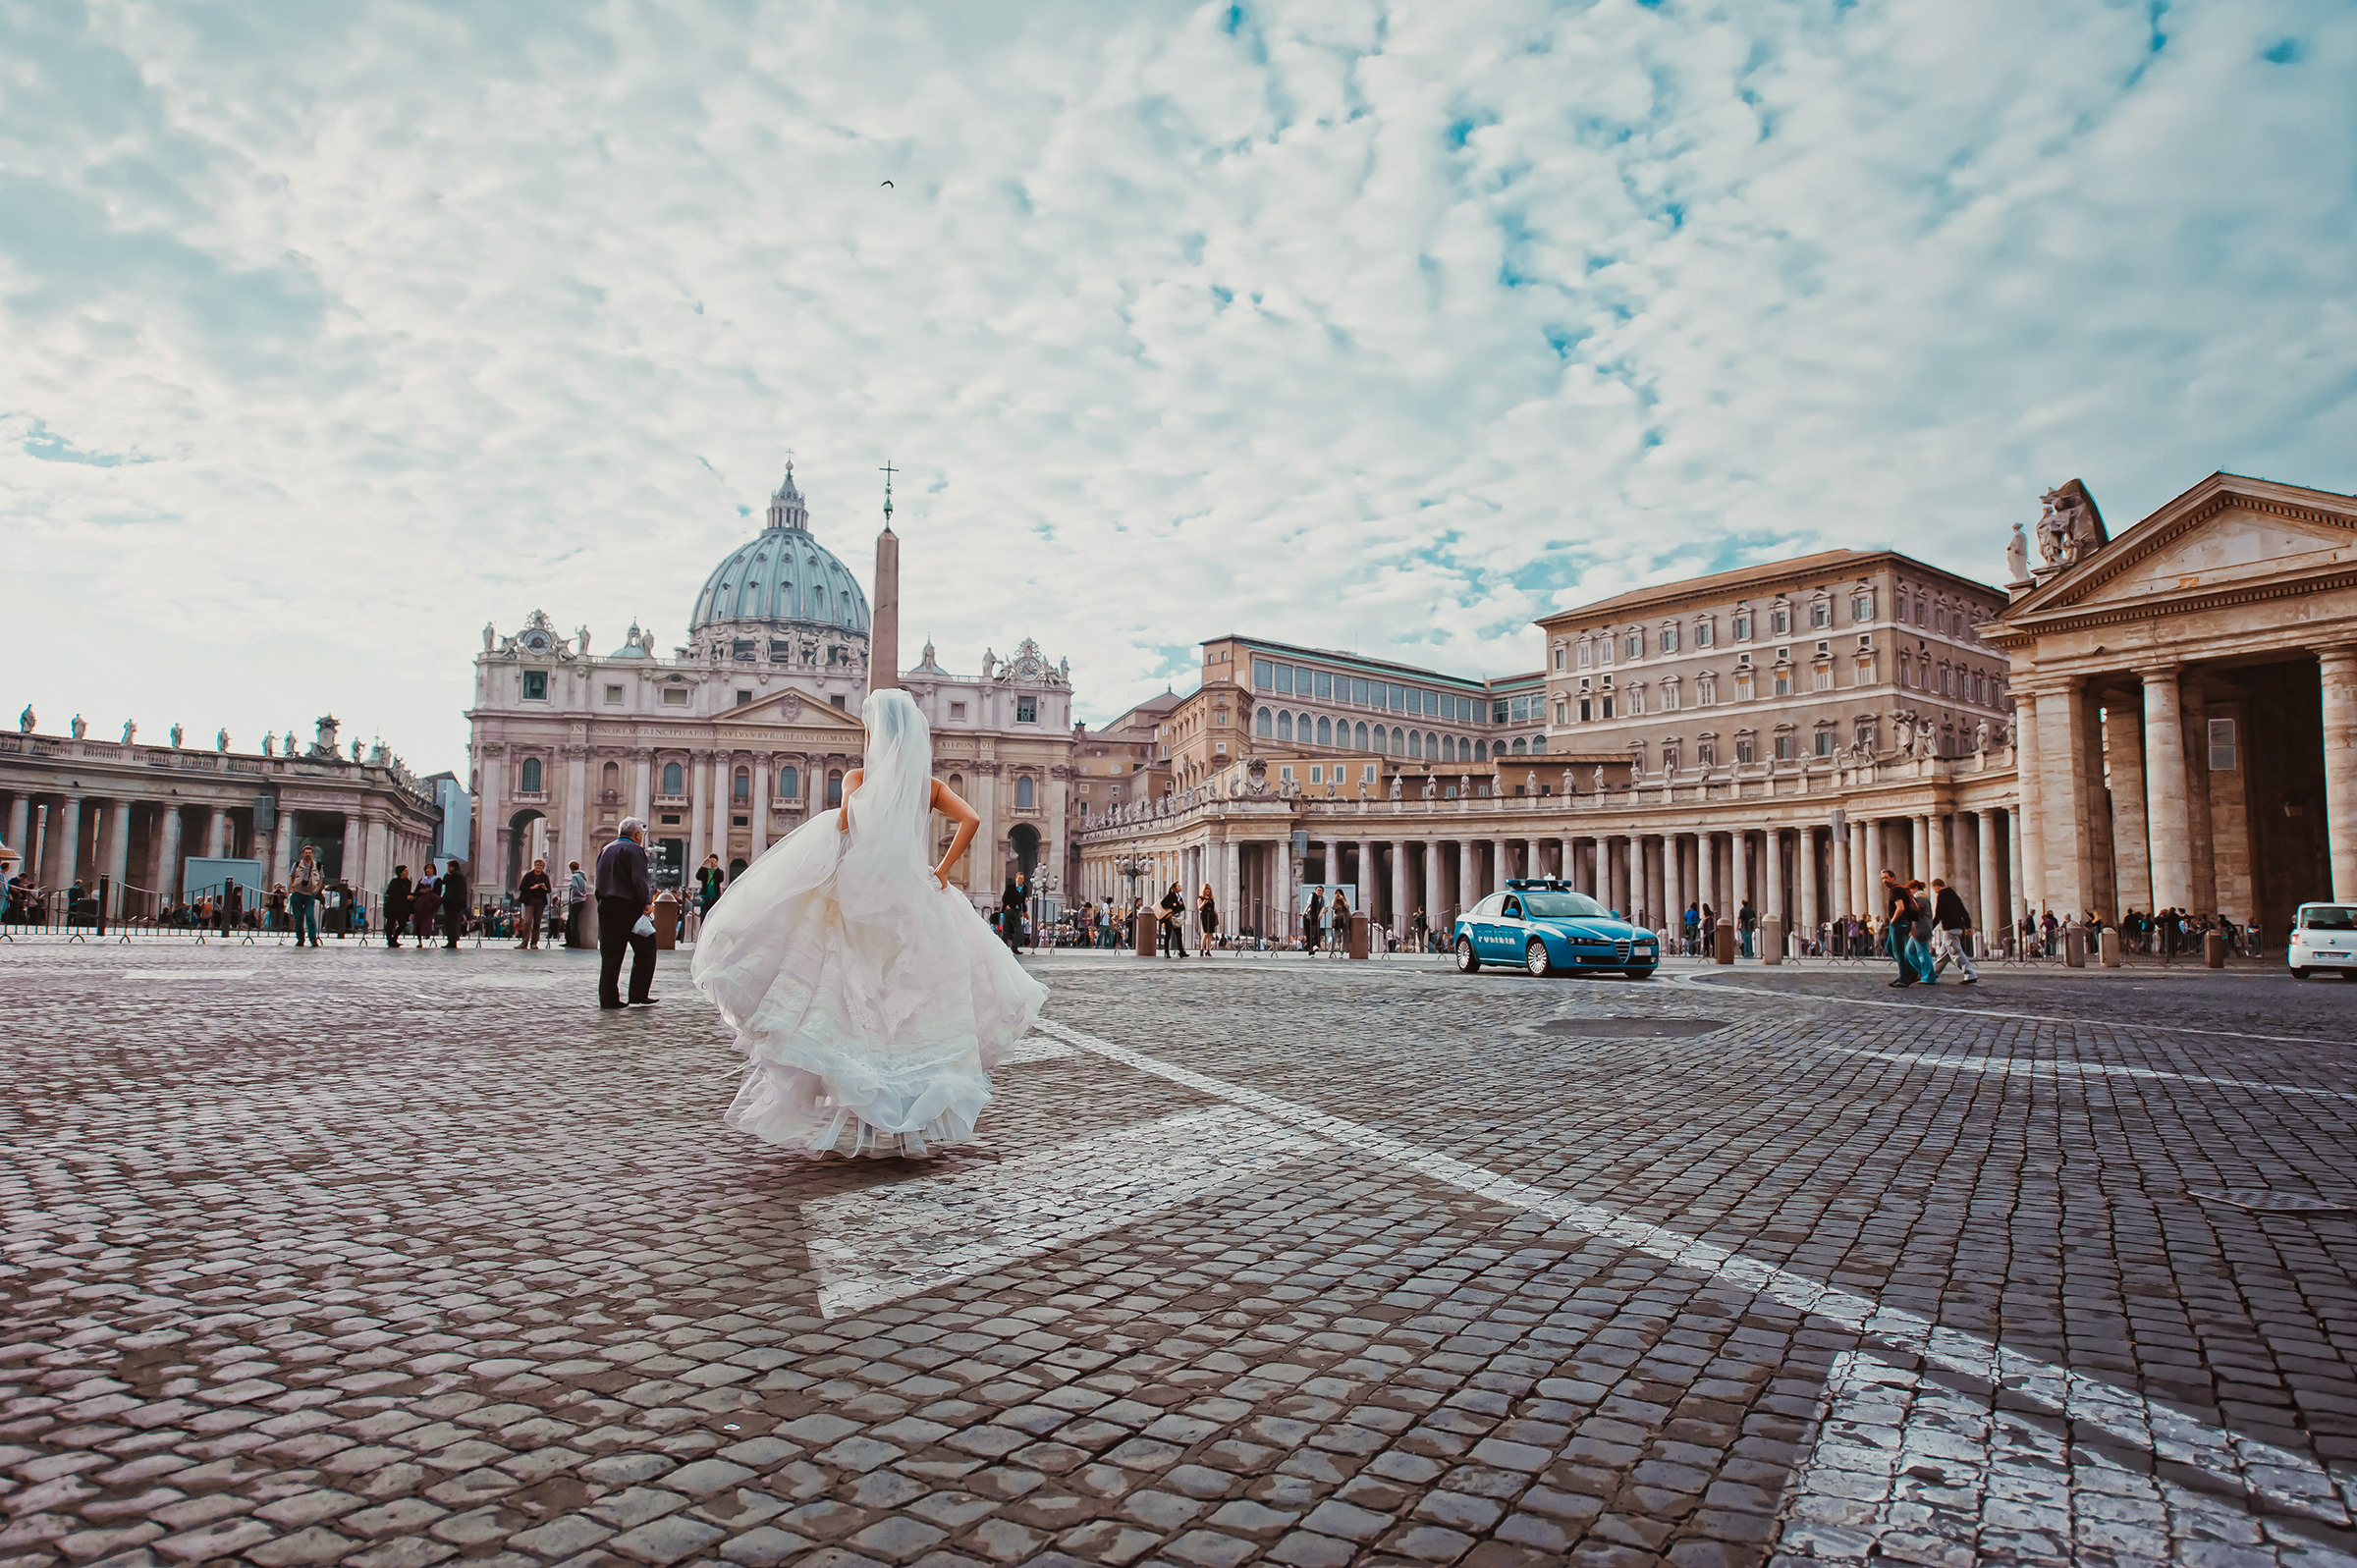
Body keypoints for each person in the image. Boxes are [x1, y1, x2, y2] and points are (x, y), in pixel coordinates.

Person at [689, 688, 1046, 1159]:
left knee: (851, 996)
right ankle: (904, 1104)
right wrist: (942, 871)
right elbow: (973, 820)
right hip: (911, 896)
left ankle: (862, 1099)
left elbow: (842, 830)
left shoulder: (857, 779)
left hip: (857, 895)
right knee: (909, 1001)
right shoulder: (927, 786)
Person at [595, 819, 658, 1009]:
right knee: (646, 950)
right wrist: (646, 901)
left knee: (610, 955)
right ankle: (638, 994)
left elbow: (599, 878)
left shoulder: (606, 849)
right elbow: (639, 879)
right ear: (637, 834)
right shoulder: (635, 850)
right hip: (629, 906)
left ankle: (608, 999)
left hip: (606, 905)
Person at [1929, 877, 1979, 983]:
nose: (1934, 891)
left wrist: (1930, 928)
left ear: (1936, 887)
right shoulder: (1954, 895)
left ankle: (1970, 974)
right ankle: (1932, 974)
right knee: (1944, 954)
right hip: (1959, 927)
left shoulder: (1942, 895)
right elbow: (1964, 912)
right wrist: (1968, 926)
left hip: (1949, 928)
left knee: (1956, 953)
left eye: (1934, 889)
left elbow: (1938, 914)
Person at [288, 847, 325, 947]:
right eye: (306, 853)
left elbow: (321, 879)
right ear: (302, 854)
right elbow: (291, 876)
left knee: (310, 916)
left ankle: (313, 938)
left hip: (310, 894)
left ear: (312, 854)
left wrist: (317, 890)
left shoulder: (318, 866)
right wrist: (291, 888)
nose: (308, 854)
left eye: (310, 853)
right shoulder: (297, 865)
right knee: (298, 918)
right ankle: (300, 938)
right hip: (298, 893)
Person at [518, 858, 553, 950]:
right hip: (529, 901)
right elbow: (521, 887)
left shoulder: (545, 877)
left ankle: (534, 942)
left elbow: (549, 890)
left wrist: (545, 888)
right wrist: (531, 888)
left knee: (537, 922)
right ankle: (524, 942)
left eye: (540, 865)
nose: (538, 867)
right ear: (534, 866)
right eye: (537, 865)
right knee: (528, 921)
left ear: (543, 867)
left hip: (540, 902)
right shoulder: (528, 875)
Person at [441, 859, 469, 947]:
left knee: (451, 922)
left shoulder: (454, 875)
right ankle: (453, 941)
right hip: (456, 903)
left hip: (452, 902)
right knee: (454, 922)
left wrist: (447, 873)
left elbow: (444, 881)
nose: (448, 868)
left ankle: (452, 941)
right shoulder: (460, 875)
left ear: (452, 867)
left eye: (449, 867)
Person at [383, 866, 413, 948]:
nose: (407, 872)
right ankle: (390, 940)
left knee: (402, 923)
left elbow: (407, 892)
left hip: (402, 906)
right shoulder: (394, 881)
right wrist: (405, 896)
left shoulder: (408, 882)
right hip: (393, 905)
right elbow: (391, 892)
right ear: (400, 873)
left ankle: (395, 938)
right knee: (390, 923)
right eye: (405, 871)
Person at [412, 868, 441, 945]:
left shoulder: (437, 880)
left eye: (430, 868)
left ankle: (427, 933)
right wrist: (421, 892)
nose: (428, 870)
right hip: (421, 903)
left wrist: (429, 891)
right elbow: (416, 891)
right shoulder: (422, 880)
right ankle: (419, 941)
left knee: (428, 920)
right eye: (427, 868)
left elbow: (438, 892)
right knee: (418, 921)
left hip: (430, 903)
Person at [1000, 873, 1026, 955]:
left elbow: (1023, 901)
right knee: (1006, 929)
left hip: (1016, 911)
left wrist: (1025, 911)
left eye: (1022, 879)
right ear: (1015, 879)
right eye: (1019, 878)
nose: (1020, 880)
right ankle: (1003, 947)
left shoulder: (1024, 888)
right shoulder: (1010, 887)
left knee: (1019, 930)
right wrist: (1007, 905)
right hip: (1009, 910)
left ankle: (1014, 948)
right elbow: (1004, 897)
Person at [1159, 882, 1186, 958]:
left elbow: (1182, 908)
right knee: (1168, 934)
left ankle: (1181, 952)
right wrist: (1172, 904)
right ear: (1174, 888)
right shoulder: (1170, 895)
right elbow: (1163, 903)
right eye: (1178, 886)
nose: (1180, 887)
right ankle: (1166, 952)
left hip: (1176, 918)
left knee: (1179, 934)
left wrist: (1180, 904)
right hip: (1169, 918)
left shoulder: (1179, 897)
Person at [567, 860, 589, 947]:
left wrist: (580, 894)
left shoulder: (574, 876)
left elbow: (575, 888)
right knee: (571, 921)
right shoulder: (582, 876)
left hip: (576, 900)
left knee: (573, 922)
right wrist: (583, 895)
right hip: (581, 901)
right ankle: (570, 941)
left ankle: (574, 942)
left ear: (570, 868)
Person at [696, 853, 726, 918]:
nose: (712, 863)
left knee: (714, 916)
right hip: (705, 897)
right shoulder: (705, 871)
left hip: (715, 897)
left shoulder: (719, 871)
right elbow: (698, 877)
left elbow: (721, 879)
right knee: (704, 916)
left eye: (714, 861)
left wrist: (716, 867)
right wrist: (703, 865)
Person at [1197, 882, 1218, 956]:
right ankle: (1202, 949)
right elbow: (1199, 908)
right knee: (1206, 933)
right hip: (1205, 915)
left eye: (1208, 889)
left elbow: (1214, 909)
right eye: (1206, 889)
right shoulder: (1200, 898)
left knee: (1210, 934)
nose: (1207, 891)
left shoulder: (1211, 899)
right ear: (1204, 890)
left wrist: (1216, 916)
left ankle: (1208, 950)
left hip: (1212, 916)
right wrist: (1203, 903)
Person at [1303, 888, 1324, 956]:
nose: (1319, 892)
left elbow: (1325, 908)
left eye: (1321, 890)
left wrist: (1321, 913)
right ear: (1315, 891)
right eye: (1318, 890)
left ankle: (1315, 946)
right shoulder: (1312, 895)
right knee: (1308, 933)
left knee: (1315, 931)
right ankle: (1311, 951)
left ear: (1323, 892)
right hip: (1309, 916)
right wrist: (1304, 912)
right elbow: (1308, 905)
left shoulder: (1323, 898)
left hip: (1316, 917)